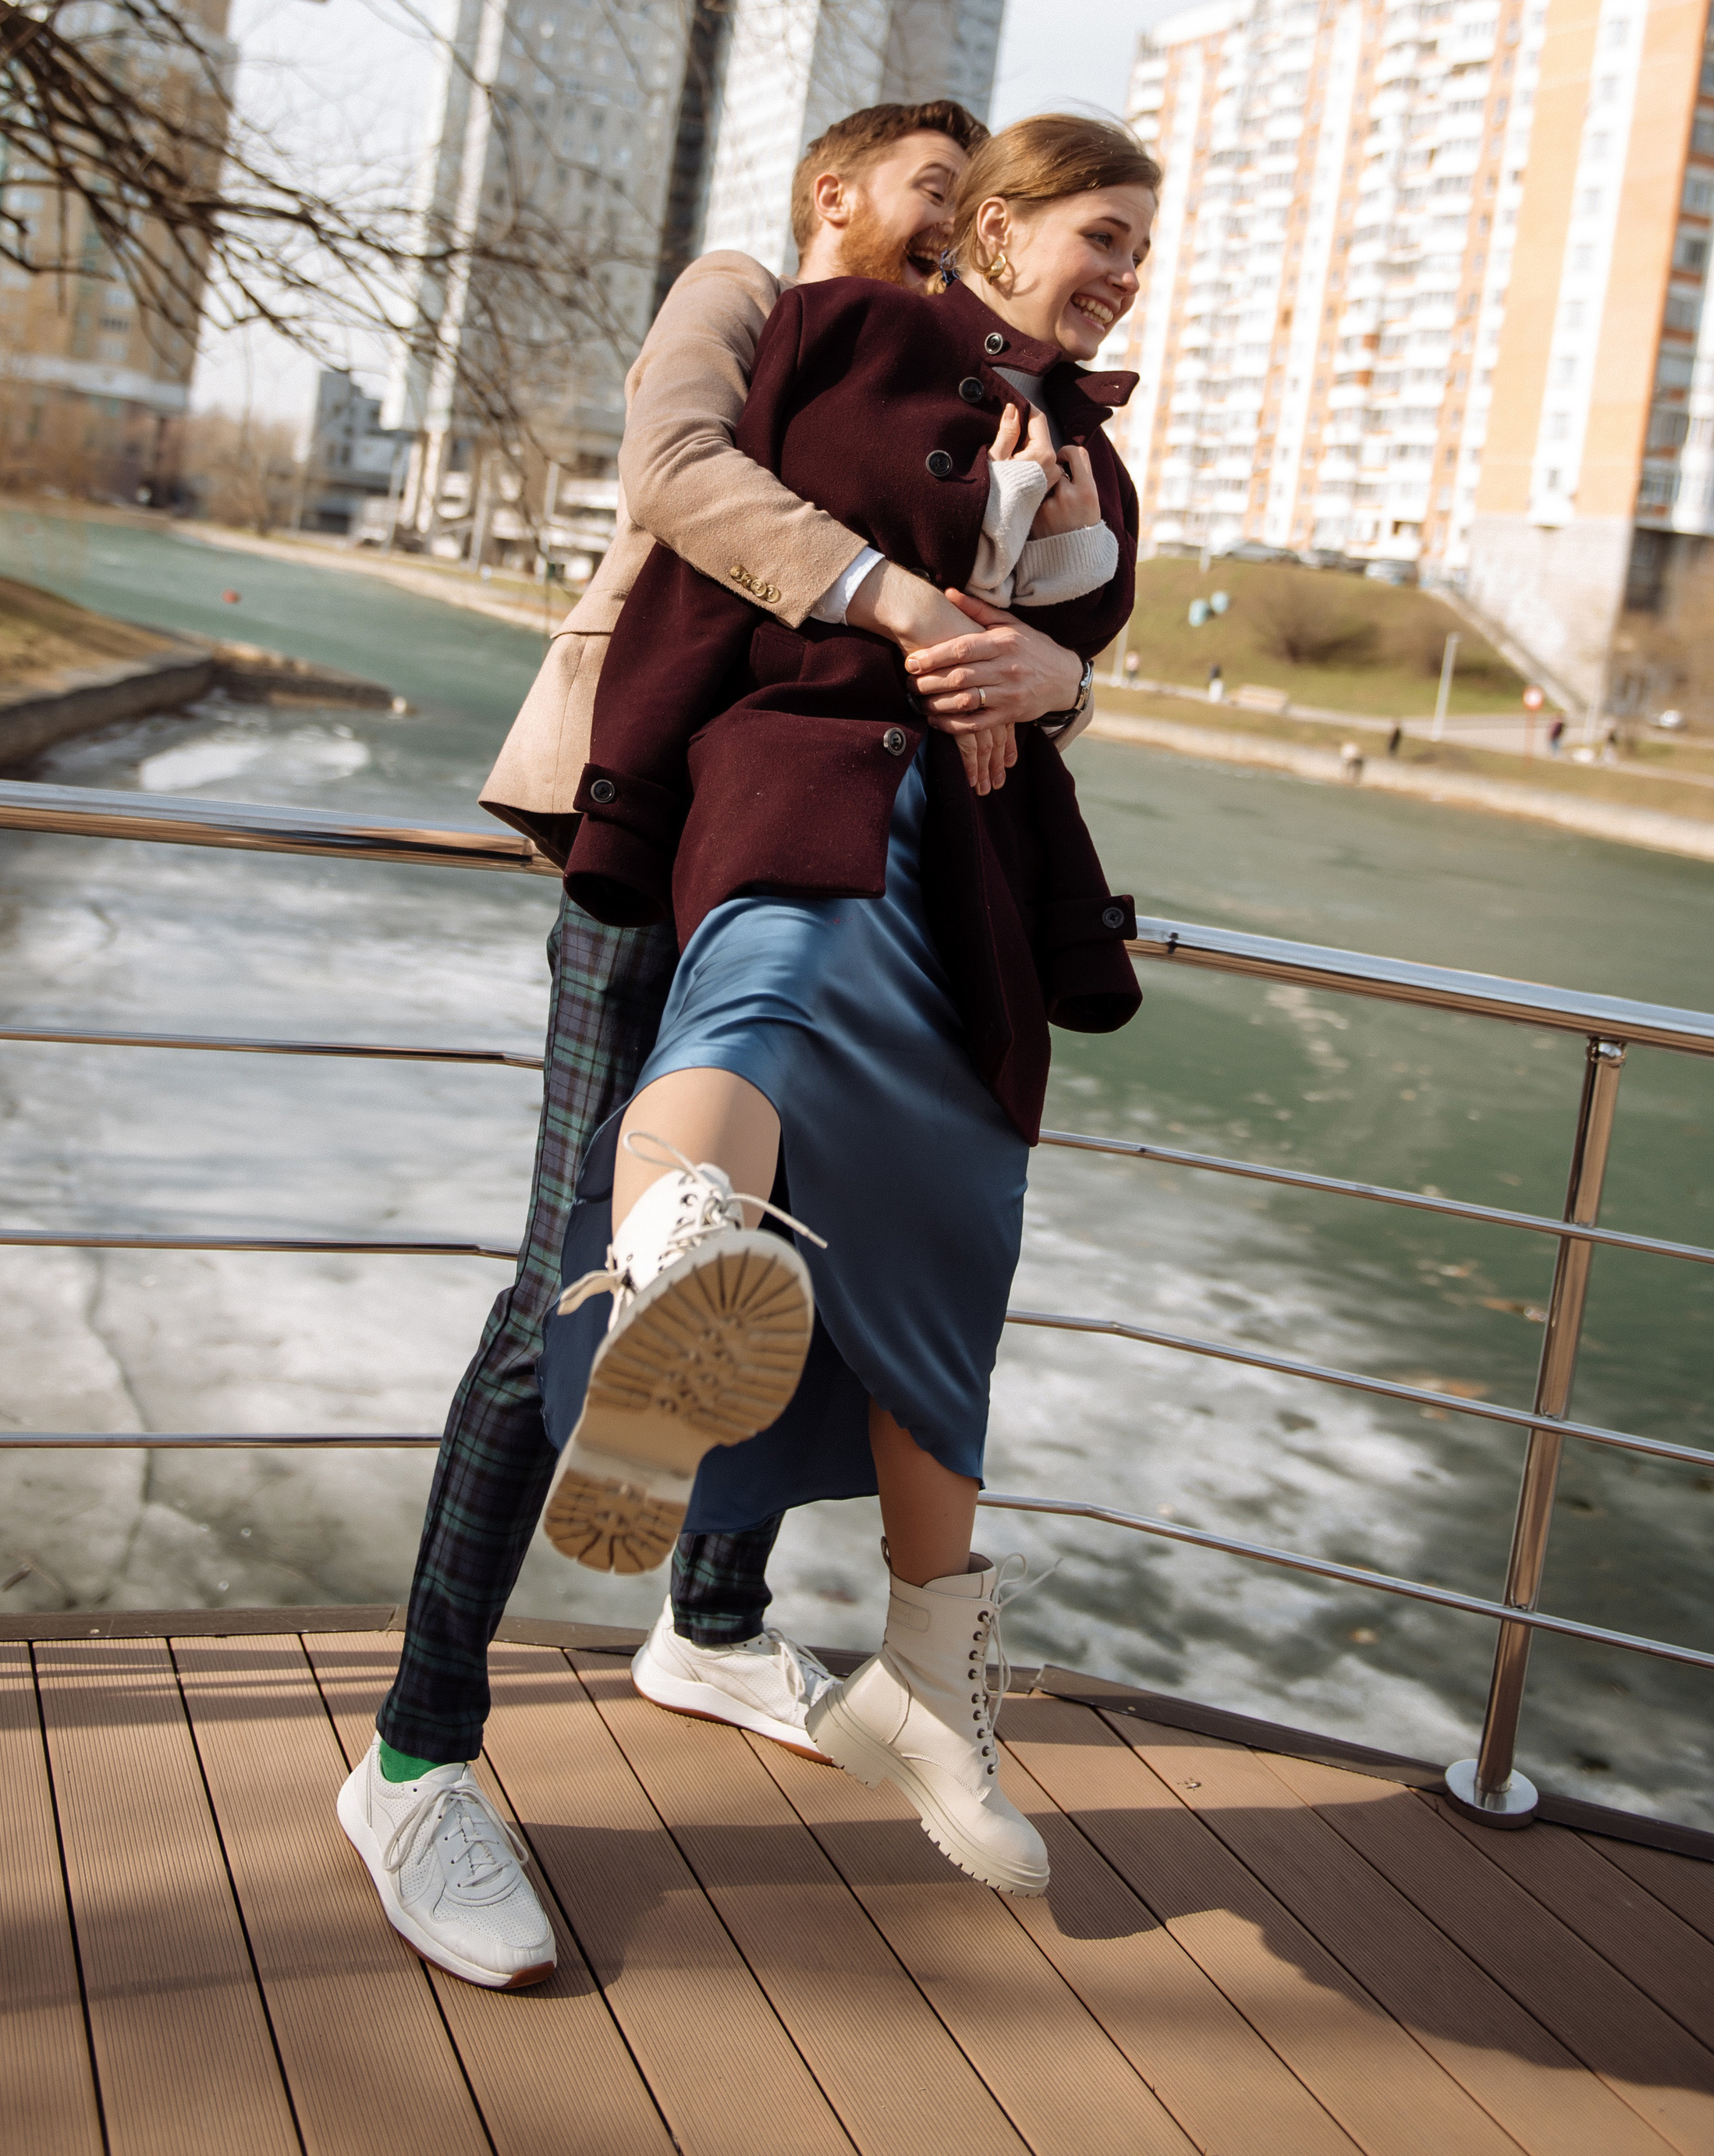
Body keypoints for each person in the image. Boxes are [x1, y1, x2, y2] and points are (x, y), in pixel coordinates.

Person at [339, 101, 1095, 1990]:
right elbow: (675, 468)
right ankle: (416, 1764)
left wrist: (1052, 653)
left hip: (870, 856)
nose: (953, 233)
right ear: (841, 190)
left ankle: (707, 1618)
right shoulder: (750, 293)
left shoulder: (994, 393)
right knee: (583, 1283)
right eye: (936, 193)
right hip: (659, 825)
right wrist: (904, 594)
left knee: (805, 1241)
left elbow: (1021, 632)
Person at [541, 114, 1158, 1900]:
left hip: (969, 861)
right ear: (994, 225)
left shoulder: (1092, 431)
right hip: (799, 775)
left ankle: (931, 1700)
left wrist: (1045, 652)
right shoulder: (815, 330)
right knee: (756, 1008)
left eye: (1139, 246)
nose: (1120, 269)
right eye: (1098, 233)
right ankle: (669, 1298)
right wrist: (927, 607)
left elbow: (1088, 618)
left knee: (951, 1242)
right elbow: (712, 528)